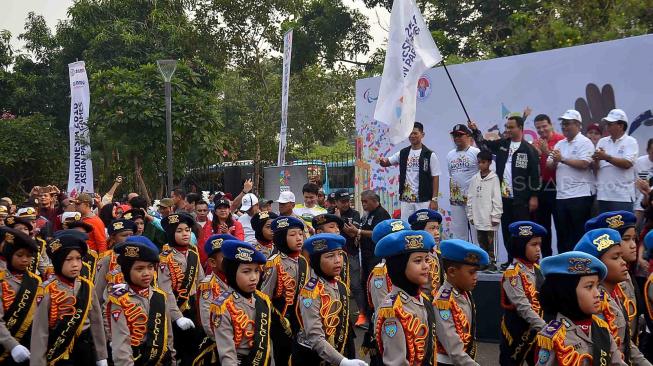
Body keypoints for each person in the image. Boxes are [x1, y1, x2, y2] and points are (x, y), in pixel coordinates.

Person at [469, 117, 541, 269]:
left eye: (511, 127)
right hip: (504, 198)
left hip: (521, 199)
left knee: (522, 231)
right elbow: (484, 145)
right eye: (507, 126)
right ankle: (510, 261)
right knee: (507, 231)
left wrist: (534, 196)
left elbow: (535, 174)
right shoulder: (502, 144)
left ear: (520, 128)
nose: (508, 130)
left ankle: (526, 263)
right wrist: (475, 131)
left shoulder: (529, 149)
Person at [574, 228, 651, 365]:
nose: (623, 262)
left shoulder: (613, 295)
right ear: (599, 266)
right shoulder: (596, 304)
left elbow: (626, 343)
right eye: (615, 258)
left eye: (621, 256)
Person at [30, 231, 108, 366]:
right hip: (59, 352)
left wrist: (101, 356)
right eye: (69, 259)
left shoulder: (87, 286)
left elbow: (96, 323)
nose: (75, 264)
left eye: (78, 258)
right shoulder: (47, 290)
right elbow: (40, 332)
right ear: (58, 261)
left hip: (84, 349)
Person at [535, 251, 625, 366]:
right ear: (568, 293)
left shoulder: (601, 327)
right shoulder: (556, 336)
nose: (597, 294)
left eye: (597, 286)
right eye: (589, 286)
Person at [294, 234, 366, 366]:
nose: (338, 260)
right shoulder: (311, 292)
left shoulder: (340, 285)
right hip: (312, 357)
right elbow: (315, 337)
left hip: (335, 352)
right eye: (330, 256)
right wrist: (342, 361)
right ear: (316, 261)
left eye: (339, 254)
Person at [373, 228, 437, 366]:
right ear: (399, 267)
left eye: (427, 259)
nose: (426, 266)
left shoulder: (422, 299)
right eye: (418, 261)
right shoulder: (392, 311)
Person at [107, 239, 175, 365]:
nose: (146, 273)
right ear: (127, 271)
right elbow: (121, 344)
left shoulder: (159, 296)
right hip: (134, 359)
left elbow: (168, 336)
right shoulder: (119, 300)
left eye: (150, 267)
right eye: (139, 269)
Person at [210, 240, 273, 365]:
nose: (254, 277)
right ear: (232, 273)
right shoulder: (222, 306)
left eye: (256, 271)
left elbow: (267, 343)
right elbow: (227, 354)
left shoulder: (262, 299)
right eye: (246, 271)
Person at [585, 211, 642, 345]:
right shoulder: (599, 287)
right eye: (626, 239)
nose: (633, 245)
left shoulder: (626, 273)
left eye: (634, 239)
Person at [260, 216, 309, 365]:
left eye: (300, 234)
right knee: (283, 355)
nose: (299, 238)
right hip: (281, 318)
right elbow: (264, 296)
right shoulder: (274, 262)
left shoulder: (302, 260)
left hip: (300, 316)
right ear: (281, 238)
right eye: (292, 235)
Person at [158, 213, 205, 366]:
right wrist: (177, 317)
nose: (185, 234)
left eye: (187, 230)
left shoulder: (193, 252)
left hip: (194, 306)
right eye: (179, 231)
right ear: (171, 233)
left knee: (195, 347)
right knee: (179, 350)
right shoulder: (165, 258)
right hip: (175, 308)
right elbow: (165, 290)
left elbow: (201, 282)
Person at [547, 110, 596, 253]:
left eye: (568, 123)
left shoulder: (585, 142)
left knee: (579, 234)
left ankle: (580, 266)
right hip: (562, 196)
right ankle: (564, 267)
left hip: (581, 195)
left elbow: (584, 164)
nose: (564, 127)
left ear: (578, 125)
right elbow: (550, 165)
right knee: (563, 235)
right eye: (563, 124)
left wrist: (561, 159)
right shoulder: (560, 144)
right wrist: (555, 160)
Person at [499, 221, 547, 366]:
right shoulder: (512, 273)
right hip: (517, 333)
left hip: (536, 330)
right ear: (520, 246)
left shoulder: (538, 269)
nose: (538, 249)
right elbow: (522, 306)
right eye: (533, 244)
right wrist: (546, 328)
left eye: (539, 244)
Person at [435, 239, 489, 365]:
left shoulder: (464, 292)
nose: (476, 277)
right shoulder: (443, 302)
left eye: (476, 271)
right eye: (471, 272)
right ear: (452, 272)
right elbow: (454, 350)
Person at [379, 122, 440, 220]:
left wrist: (434, 200)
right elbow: (387, 162)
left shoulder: (429, 154)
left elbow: (435, 177)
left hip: (423, 200)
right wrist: (382, 161)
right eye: (410, 133)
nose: (412, 136)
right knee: (407, 226)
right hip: (406, 200)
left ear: (422, 135)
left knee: (422, 227)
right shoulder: (403, 153)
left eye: (415, 133)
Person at [0, 227, 40, 365]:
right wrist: (13, 346)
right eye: (20, 255)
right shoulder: (1, 280)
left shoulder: (35, 281)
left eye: (29, 256)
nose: (25, 260)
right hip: (7, 346)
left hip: (30, 345)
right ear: (10, 255)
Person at [195, 233, 236, 364]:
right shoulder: (208, 285)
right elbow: (208, 323)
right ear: (212, 262)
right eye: (225, 257)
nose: (231, 260)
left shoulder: (239, 278)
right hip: (222, 344)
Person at [593, 109, 639, 213]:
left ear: (621, 126)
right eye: (607, 124)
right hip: (603, 195)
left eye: (610, 124)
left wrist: (606, 157)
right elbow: (597, 168)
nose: (607, 126)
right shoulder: (602, 141)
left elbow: (627, 163)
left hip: (622, 197)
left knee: (623, 228)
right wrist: (595, 160)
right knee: (605, 229)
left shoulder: (630, 142)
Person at [356, 190, 391, 327]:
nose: (363, 204)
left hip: (376, 257)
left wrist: (358, 232)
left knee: (374, 286)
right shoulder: (367, 214)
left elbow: (377, 233)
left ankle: (375, 316)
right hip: (365, 255)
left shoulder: (381, 214)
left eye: (366, 202)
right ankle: (367, 315)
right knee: (365, 283)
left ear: (374, 201)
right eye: (362, 202)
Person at [533, 114, 565, 257]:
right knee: (543, 227)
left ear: (551, 124)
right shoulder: (536, 142)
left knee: (561, 226)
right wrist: (536, 154)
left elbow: (561, 162)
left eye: (544, 126)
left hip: (559, 187)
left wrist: (546, 152)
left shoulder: (561, 140)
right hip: (543, 187)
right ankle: (547, 258)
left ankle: (563, 257)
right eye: (538, 127)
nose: (541, 130)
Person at [332, 189, 365, 325]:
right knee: (336, 284)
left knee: (356, 285)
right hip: (334, 254)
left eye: (348, 201)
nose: (346, 204)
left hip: (351, 254)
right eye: (343, 202)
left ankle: (363, 314)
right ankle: (339, 314)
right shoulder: (329, 213)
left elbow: (352, 233)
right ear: (336, 202)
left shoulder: (355, 214)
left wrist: (338, 220)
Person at [466, 150, 503, 271]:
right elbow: (470, 198)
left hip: (490, 218)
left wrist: (496, 216)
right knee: (481, 242)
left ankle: (492, 262)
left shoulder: (494, 178)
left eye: (483, 162)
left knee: (491, 242)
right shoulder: (475, 179)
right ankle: (484, 262)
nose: (481, 165)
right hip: (478, 217)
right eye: (479, 162)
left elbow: (497, 199)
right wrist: (470, 215)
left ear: (489, 163)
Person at [447, 124, 480, 241]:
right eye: (454, 135)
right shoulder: (450, 155)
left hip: (473, 199)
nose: (456, 138)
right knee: (459, 234)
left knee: (477, 233)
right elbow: (452, 175)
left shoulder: (476, 152)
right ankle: (461, 259)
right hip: (456, 200)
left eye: (460, 135)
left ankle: (478, 258)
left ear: (468, 135)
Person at [408, 209, 442, 298]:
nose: (437, 232)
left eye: (438, 228)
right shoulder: (412, 256)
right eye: (432, 228)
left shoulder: (437, 253)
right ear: (420, 232)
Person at [634, 139, 653, 225]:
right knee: (635, 226)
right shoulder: (639, 162)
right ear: (648, 150)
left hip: (651, 201)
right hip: (640, 200)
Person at [194, 200, 213, 264]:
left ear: (208, 211)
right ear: (195, 211)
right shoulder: (190, 226)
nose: (202, 213)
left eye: (204, 210)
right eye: (199, 210)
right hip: (194, 260)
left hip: (210, 261)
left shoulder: (214, 226)